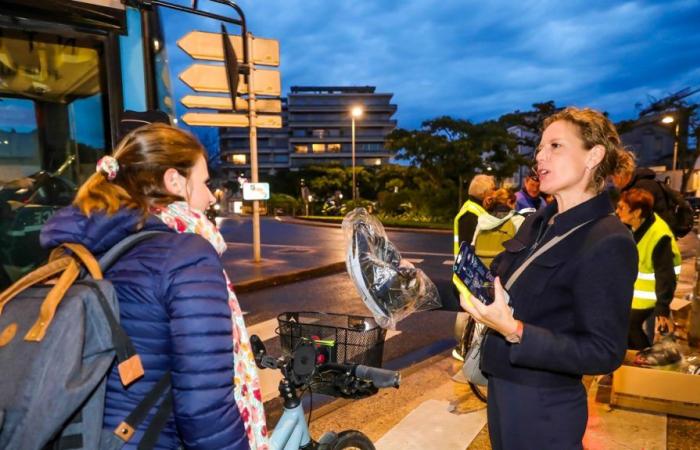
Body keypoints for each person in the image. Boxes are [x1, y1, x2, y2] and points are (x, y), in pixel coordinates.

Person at [40, 124, 250, 449]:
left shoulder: (79, 251)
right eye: (205, 182)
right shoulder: (186, 255)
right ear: (173, 180)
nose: (210, 196)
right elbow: (205, 410)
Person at [460, 107, 638, 450]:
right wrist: (415, 286)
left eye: (555, 146)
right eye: (540, 149)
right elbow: (489, 282)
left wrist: (516, 331)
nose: (540, 157)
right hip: (502, 387)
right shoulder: (540, 222)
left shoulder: (608, 240)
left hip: (544, 407)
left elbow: (604, 351)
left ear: (594, 156)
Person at [616, 188, 680, 350]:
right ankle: (634, 358)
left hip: (650, 295)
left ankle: (643, 359)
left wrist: (662, 308)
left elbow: (665, 275)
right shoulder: (637, 226)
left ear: (636, 212)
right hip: (636, 293)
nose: (617, 211)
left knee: (630, 326)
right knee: (626, 328)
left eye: (622, 208)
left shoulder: (659, 236)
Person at [452, 174, 495, 360]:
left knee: (466, 310)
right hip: (468, 272)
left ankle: (462, 348)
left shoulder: (470, 209)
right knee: (468, 311)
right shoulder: (475, 214)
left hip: (463, 270)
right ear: (486, 194)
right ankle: (461, 349)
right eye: (492, 191)